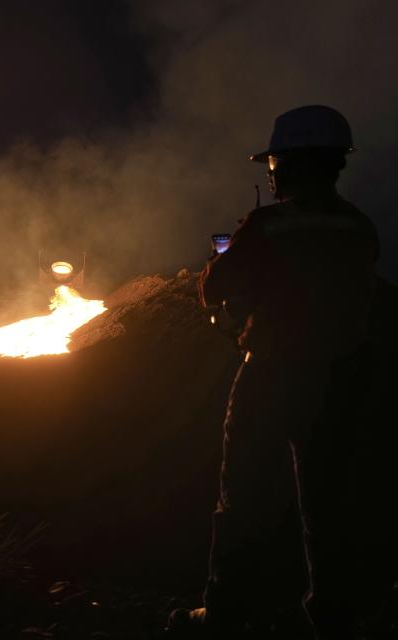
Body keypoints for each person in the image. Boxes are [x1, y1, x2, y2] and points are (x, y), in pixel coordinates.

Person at [168, 106, 382, 638]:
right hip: (340, 377)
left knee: (241, 496)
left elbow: (212, 288)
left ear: (286, 165)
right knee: (328, 500)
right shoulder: (358, 225)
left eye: (275, 163)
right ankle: (333, 615)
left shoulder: (270, 224)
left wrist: (237, 261)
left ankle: (223, 612)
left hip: (272, 373)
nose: (272, 172)